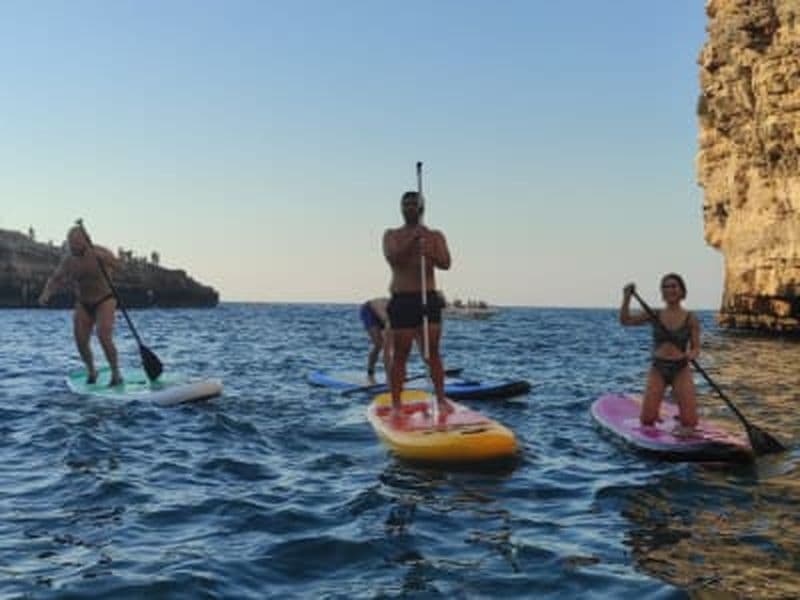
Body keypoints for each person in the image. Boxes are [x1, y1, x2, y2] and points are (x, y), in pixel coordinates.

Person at [383, 190, 452, 416]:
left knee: (432, 352)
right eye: (406, 204)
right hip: (403, 299)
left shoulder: (435, 235)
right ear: (400, 208)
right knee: (400, 353)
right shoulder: (391, 235)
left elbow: (445, 263)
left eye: (414, 203)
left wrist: (428, 250)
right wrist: (413, 240)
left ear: (422, 207)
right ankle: (396, 404)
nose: (410, 207)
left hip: (428, 297)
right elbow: (394, 258)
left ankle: (441, 400)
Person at [39, 225, 123, 386]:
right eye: (70, 242)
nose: (73, 246)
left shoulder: (100, 252)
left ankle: (115, 373)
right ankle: (92, 370)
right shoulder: (69, 260)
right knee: (80, 340)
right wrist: (46, 293)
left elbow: (120, 267)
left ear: (85, 240)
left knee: (103, 335)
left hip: (105, 299)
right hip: (83, 302)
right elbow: (55, 278)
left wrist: (107, 260)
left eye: (76, 242)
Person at [619, 274, 700, 433]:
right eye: (666, 287)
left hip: (680, 368)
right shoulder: (655, 314)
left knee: (690, 423)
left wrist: (692, 354)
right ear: (662, 292)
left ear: (682, 291)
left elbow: (696, 347)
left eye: (674, 286)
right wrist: (626, 297)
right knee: (647, 420)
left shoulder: (691, 318)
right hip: (658, 368)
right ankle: (657, 414)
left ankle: (680, 416)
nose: (670, 290)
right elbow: (625, 321)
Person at [359, 297, 390, 384]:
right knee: (379, 344)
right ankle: (370, 373)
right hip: (369, 311)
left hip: (384, 316)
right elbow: (387, 350)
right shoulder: (389, 314)